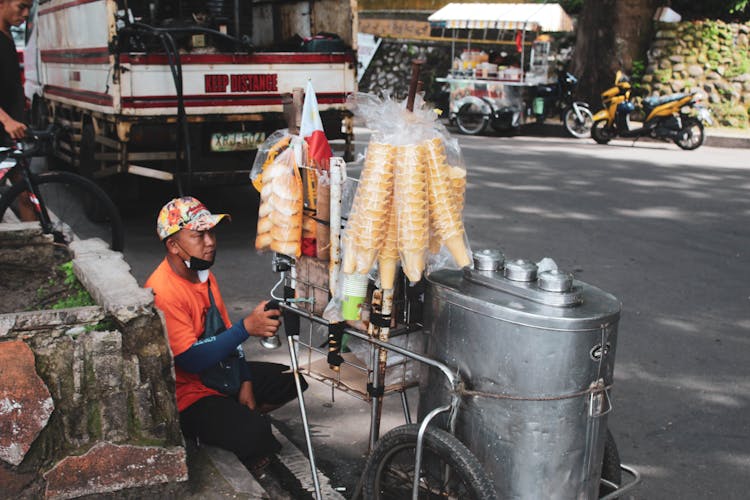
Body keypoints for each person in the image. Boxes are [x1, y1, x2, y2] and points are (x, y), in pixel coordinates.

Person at [145, 196, 307, 467]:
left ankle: (234, 416)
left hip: (219, 375)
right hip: (188, 394)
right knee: (257, 436)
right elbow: (189, 359)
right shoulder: (162, 290)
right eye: (199, 235)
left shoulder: (203, 275)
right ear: (173, 245)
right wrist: (247, 328)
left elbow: (226, 333)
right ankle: (215, 429)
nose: (210, 242)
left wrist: (244, 382)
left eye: (211, 232)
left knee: (291, 380)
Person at [1, 0, 34, 221]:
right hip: (5, 128)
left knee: (25, 194)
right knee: (24, 193)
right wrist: (6, 120)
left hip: (8, 135)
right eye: (21, 6)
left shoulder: (7, 36)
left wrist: (19, 100)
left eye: (28, 9)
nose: (25, 14)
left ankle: (41, 249)